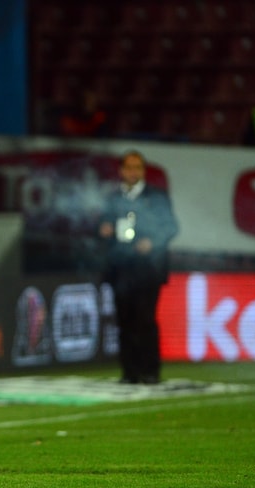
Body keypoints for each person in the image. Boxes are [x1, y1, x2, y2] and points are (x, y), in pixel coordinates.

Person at [98, 150, 178, 385]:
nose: (133, 172)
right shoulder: (112, 198)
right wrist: (103, 229)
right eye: (129, 167)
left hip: (148, 267)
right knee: (124, 320)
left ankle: (150, 370)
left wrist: (152, 242)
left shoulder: (156, 197)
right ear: (121, 170)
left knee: (145, 319)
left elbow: (171, 226)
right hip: (120, 267)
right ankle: (129, 371)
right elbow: (99, 225)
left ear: (143, 171)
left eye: (138, 167)